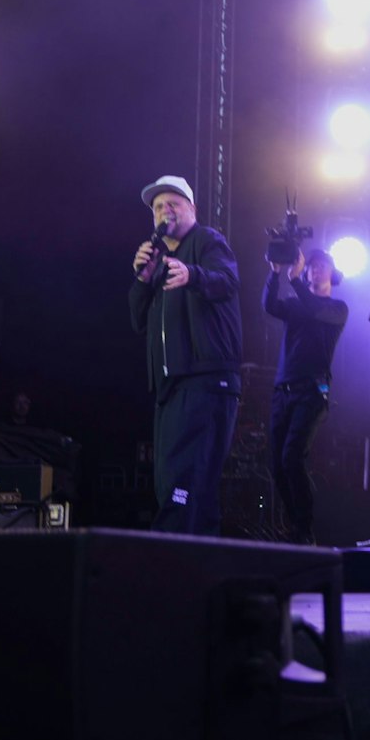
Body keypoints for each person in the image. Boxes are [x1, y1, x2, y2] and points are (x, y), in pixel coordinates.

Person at [129, 175, 243, 536]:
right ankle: (201, 573)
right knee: (179, 486)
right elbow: (137, 321)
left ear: (192, 209)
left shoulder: (208, 241)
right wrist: (142, 280)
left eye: (173, 204)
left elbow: (227, 281)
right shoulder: (161, 258)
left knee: (183, 481)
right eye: (158, 207)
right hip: (171, 385)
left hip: (205, 379)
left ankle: (164, 566)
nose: (165, 211)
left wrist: (192, 274)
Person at [261, 247, 348, 544]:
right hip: (283, 389)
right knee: (277, 463)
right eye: (311, 266)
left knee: (292, 456)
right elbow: (269, 305)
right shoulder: (296, 304)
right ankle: (295, 525)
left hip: (312, 391)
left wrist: (295, 280)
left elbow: (315, 309)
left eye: (322, 265)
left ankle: (304, 528)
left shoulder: (337, 308)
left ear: (332, 272)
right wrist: (275, 272)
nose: (315, 269)